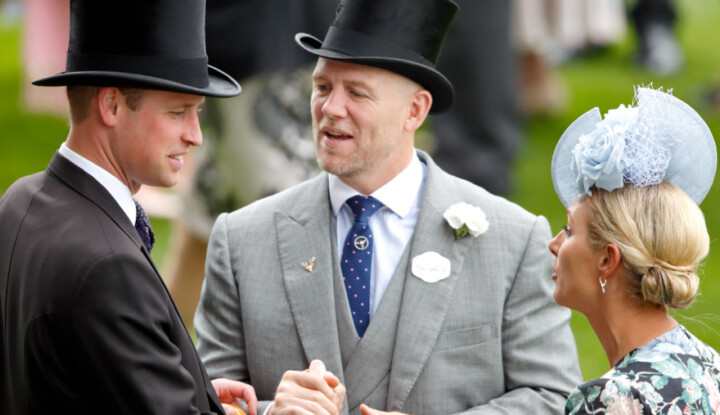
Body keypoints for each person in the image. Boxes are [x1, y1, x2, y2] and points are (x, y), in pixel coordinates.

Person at [195, 0, 582, 414]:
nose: (330, 108)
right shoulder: (241, 241)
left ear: (414, 111)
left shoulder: (514, 241)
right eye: (322, 87)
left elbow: (554, 397)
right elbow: (204, 401)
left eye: (356, 93)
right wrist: (271, 411)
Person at [0, 1, 259, 414]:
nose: (195, 135)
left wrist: (198, 391)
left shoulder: (18, 201)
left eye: (197, 113)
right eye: (178, 112)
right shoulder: (108, 267)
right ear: (112, 106)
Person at [549, 86, 720, 414]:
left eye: (569, 230)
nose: (553, 244)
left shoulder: (615, 398)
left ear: (607, 259)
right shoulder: (708, 364)